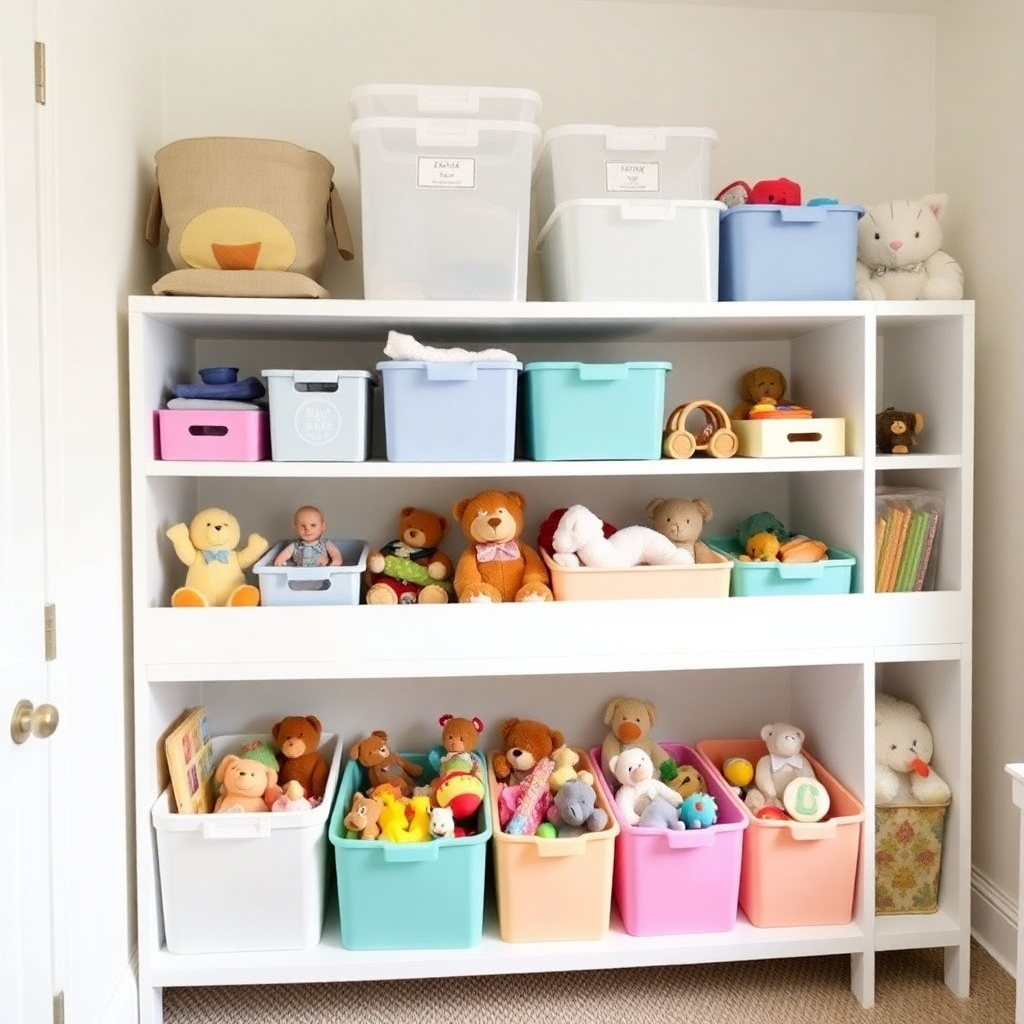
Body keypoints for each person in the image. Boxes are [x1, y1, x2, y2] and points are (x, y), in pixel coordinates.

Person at [273, 505, 343, 567]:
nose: (307, 529)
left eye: (313, 525)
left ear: (323, 527)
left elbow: (335, 553)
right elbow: (286, 553)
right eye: (303, 526)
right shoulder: (295, 546)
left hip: (322, 574)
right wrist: (280, 559)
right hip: (301, 574)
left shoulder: (325, 543)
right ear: (295, 528)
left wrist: (336, 561)